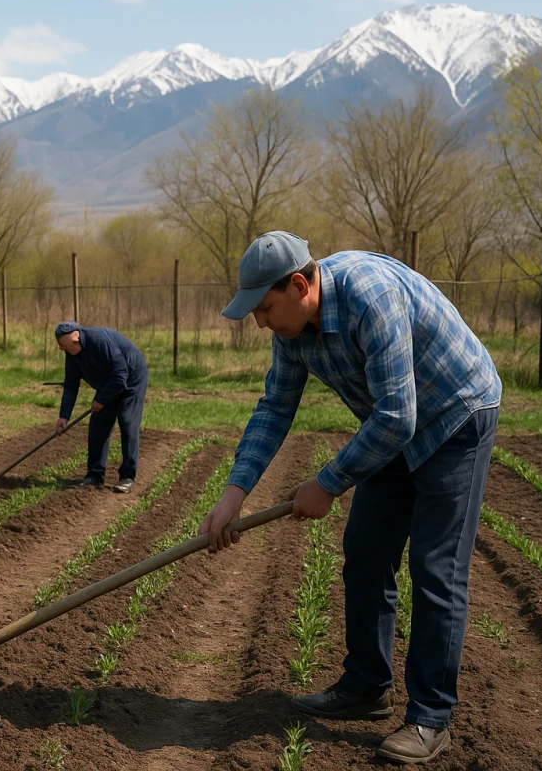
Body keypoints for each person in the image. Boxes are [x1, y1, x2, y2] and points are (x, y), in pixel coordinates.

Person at [199, 231, 501, 765]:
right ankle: (366, 686)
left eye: (266, 308)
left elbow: (397, 417)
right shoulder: (293, 333)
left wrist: (328, 481)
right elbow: (274, 408)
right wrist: (233, 494)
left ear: (299, 285)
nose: (262, 322)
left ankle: (431, 718)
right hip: (390, 427)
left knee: (435, 567)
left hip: (456, 415)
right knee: (365, 550)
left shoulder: (370, 296)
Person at [54, 321, 149, 494]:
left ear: (77, 338)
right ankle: (94, 475)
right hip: (108, 383)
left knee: (128, 422)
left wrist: (101, 399)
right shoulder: (72, 354)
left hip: (131, 380)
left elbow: (120, 376)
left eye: (66, 346)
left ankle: (127, 476)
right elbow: (71, 385)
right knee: (98, 425)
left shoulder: (99, 341)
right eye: (63, 348)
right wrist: (64, 416)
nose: (64, 351)